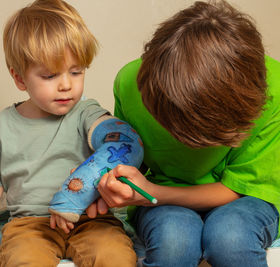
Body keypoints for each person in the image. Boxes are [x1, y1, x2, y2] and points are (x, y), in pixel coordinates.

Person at [0, 0, 138, 266]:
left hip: (92, 220)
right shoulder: (3, 125)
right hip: (30, 224)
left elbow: (119, 141)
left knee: (116, 258)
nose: (66, 85)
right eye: (50, 76)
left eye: (76, 72)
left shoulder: (87, 113)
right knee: (22, 260)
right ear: (19, 78)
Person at [90, 1, 280, 267]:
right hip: (163, 197)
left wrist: (152, 193)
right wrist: (114, 182)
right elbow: (132, 157)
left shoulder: (272, 86)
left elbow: (240, 187)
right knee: (174, 243)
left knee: (231, 238)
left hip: (246, 198)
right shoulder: (132, 83)